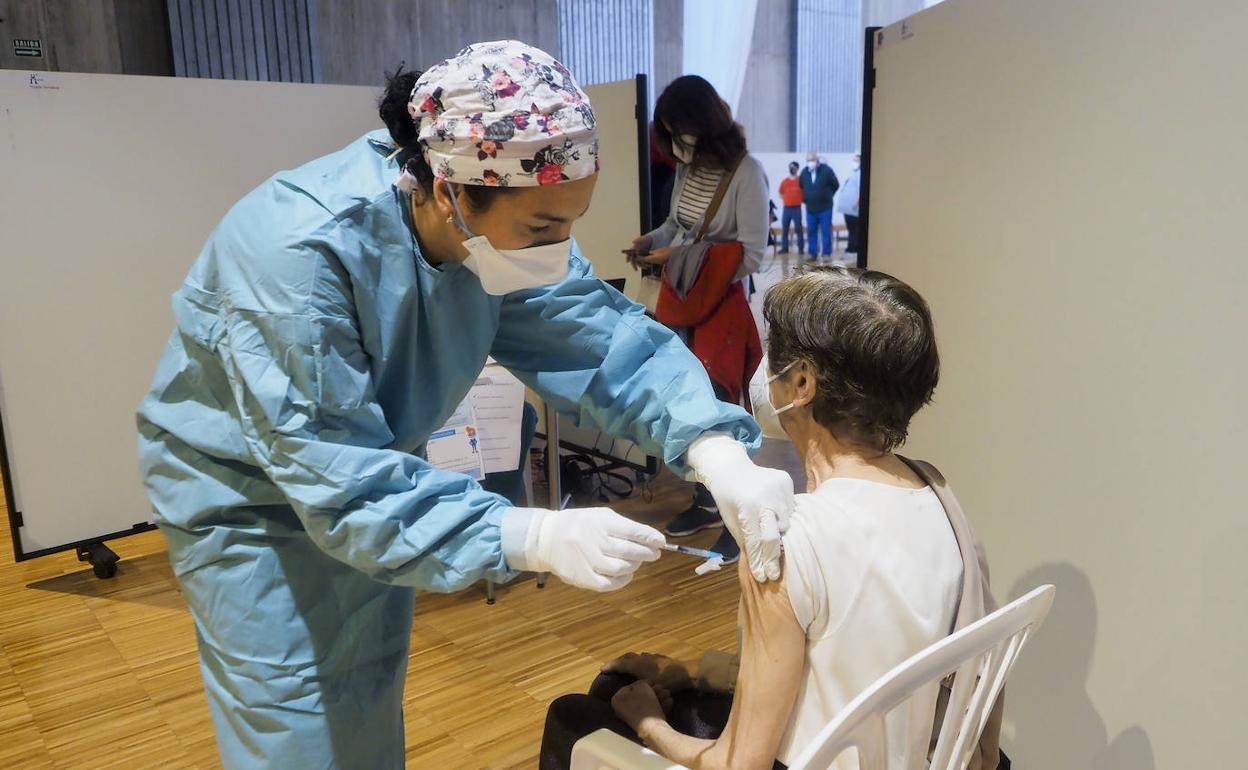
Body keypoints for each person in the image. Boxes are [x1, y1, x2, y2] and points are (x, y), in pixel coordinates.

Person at [135, 41, 794, 770]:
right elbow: (335, 473)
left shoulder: (494, 234)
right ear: (450, 192)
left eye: (571, 223)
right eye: (543, 228)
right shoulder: (296, 255)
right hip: (254, 498)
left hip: (373, 475)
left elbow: (601, 341)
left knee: (366, 684)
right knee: (300, 712)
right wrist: (527, 537)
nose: (560, 249)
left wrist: (714, 447)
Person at [541, 267, 1004, 770]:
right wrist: (697, 674)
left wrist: (647, 721)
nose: (762, 370)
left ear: (801, 382)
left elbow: (738, 765)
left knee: (582, 709)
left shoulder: (786, 540)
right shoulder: (937, 493)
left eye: (771, 354)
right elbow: (843, 651)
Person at [625, 75, 770, 565]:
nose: (674, 140)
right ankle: (707, 501)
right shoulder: (689, 169)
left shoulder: (746, 173)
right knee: (689, 398)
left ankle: (739, 515)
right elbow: (679, 224)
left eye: (678, 128)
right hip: (684, 301)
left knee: (724, 400)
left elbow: (752, 254)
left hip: (720, 305)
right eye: (668, 130)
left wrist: (681, 254)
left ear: (700, 123)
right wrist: (652, 241)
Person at [800, 152, 839, 261]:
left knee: (826, 231)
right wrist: (807, 198)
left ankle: (826, 253)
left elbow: (836, 184)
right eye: (808, 160)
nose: (810, 162)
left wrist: (828, 195)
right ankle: (812, 253)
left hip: (825, 208)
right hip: (810, 209)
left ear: (817, 161)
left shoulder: (826, 170)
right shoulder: (804, 172)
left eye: (812, 160)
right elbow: (801, 186)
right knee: (811, 231)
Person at [838, 153, 862, 257]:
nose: (854, 162)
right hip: (847, 209)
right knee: (851, 229)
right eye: (854, 160)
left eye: (856, 160)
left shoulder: (861, 174)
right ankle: (851, 248)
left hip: (853, 209)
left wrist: (856, 203)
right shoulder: (854, 174)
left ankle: (852, 249)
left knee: (854, 229)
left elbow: (861, 190)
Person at [778, 161, 805, 254]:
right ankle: (784, 248)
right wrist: (786, 199)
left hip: (796, 208)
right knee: (785, 229)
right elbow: (780, 193)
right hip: (787, 209)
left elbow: (805, 192)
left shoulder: (801, 180)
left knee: (798, 228)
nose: (792, 169)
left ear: (797, 169)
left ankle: (801, 249)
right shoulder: (785, 181)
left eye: (794, 167)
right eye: (790, 167)